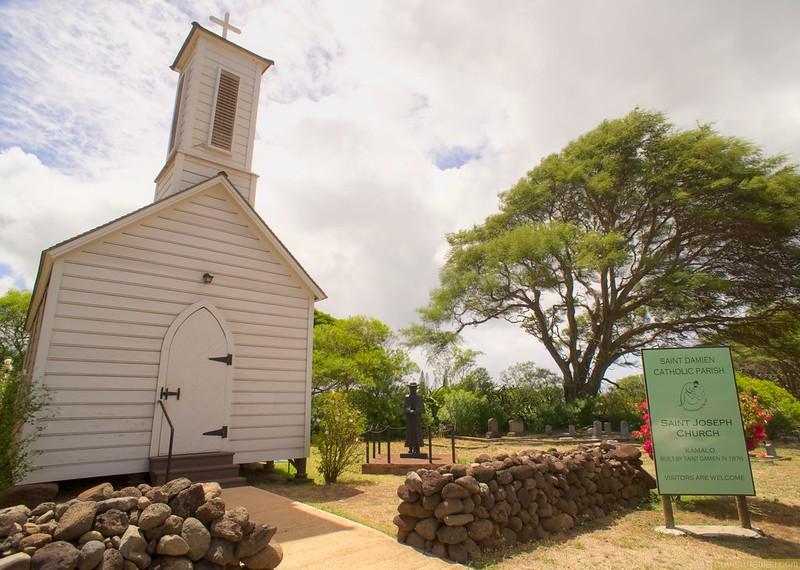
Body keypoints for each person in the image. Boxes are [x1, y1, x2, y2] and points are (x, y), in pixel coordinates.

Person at [404, 382, 425, 454]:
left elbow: (422, 409)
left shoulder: (419, 397)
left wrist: (416, 411)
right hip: (409, 418)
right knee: (409, 433)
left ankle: (417, 448)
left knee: (417, 433)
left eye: (414, 388)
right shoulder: (407, 397)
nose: (412, 389)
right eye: (411, 388)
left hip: (417, 418)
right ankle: (410, 448)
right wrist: (409, 411)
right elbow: (404, 408)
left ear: (416, 388)